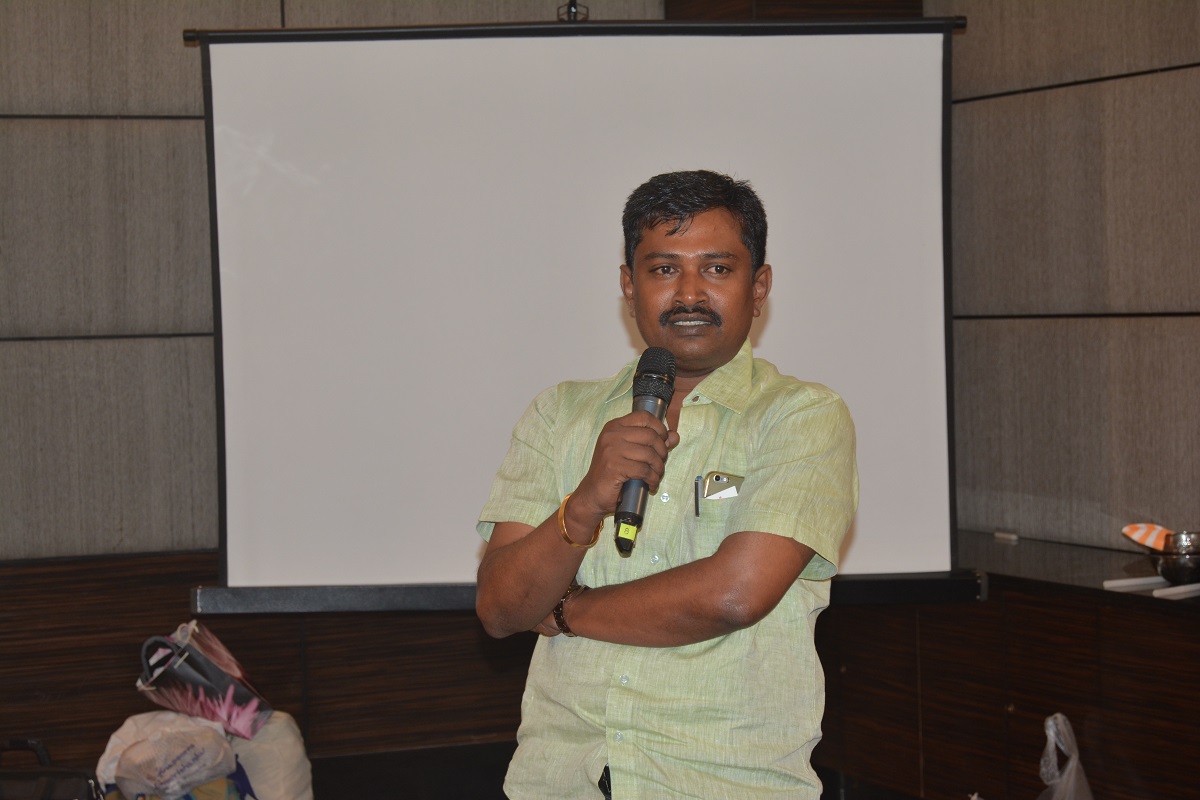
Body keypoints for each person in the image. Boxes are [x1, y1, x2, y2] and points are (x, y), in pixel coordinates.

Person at [476, 170, 858, 799]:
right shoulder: (559, 415)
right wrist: (587, 501)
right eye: (662, 270)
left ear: (759, 287)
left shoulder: (802, 416)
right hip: (563, 782)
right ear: (629, 286)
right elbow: (499, 608)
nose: (689, 294)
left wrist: (566, 610)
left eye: (717, 269)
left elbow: (733, 594)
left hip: (723, 783)